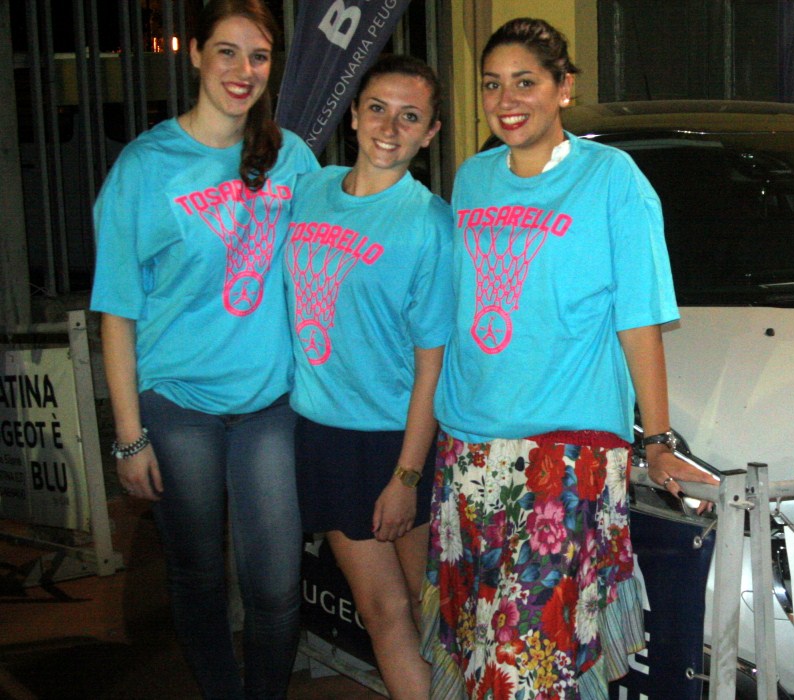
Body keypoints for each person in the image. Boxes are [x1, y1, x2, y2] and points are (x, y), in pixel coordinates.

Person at [420, 17, 717, 698]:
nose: (506, 100)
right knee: (481, 649)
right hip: (469, 449)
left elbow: (638, 320)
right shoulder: (473, 179)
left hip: (565, 454)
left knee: (522, 660)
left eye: (525, 82)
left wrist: (658, 439)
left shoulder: (612, 180)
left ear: (563, 87)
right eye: (492, 84)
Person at [89, 1, 318, 697]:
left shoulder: (292, 158)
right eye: (227, 51)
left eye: (259, 56)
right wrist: (130, 437)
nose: (243, 70)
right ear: (194, 53)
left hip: (270, 404)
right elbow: (117, 313)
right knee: (197, 575)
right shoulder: (145, 167)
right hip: (177, 403)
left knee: (276, 586)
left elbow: (332, 261)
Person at [286, 53, 452, 698]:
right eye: (378, 108)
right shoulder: (310, 191)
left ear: (429, 134)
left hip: (399, 440)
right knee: (383, 611)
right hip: (323, 436)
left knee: (436, 616)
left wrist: (405, 477)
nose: (389, 127)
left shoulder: (429, 224)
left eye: (410, 117)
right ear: (353, 114)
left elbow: (433, 364)